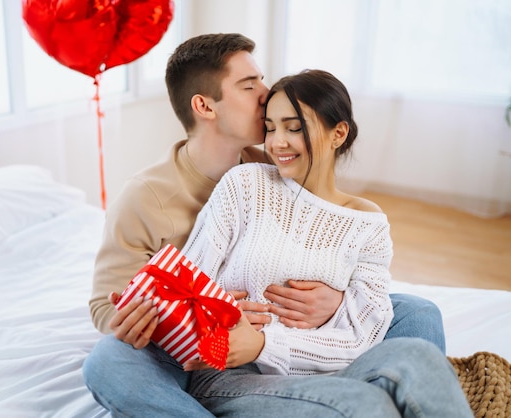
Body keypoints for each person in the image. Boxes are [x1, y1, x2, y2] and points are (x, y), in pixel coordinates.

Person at [83, 33, 458, 417]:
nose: (265, 93)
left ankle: (327, 399)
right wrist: (180, 318)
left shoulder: (273, 168)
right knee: (110, 358)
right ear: (204, 106)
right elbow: (109, 303)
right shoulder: (154, 195)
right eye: (250, 86)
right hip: (211, 352)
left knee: (418, 313)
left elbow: (322, 220)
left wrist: (339, 304)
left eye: (291, 125)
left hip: (297, 347)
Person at [181, 69, 394, 375]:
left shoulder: (368, 224)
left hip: (324, 377)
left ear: (339, 133)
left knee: (418, 335)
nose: (277, 143)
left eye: (293, 128)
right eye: (269, 128)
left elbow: (361, 338)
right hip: (232, 371)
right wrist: (218, 314)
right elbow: (188, 283)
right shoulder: (246, 183)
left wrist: (267, 343)